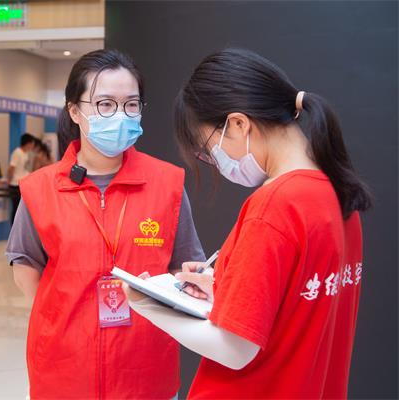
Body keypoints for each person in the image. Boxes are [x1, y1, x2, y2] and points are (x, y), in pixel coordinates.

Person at [124, 48, 372, 399]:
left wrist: (147, 304)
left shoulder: (275, 206)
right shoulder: (340, 195)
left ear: (239, 124)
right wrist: (226, 289)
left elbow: (236, 349)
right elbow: (297, 310)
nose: (214, 161)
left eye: (208, 150)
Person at [5, 49, 205, 399]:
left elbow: (184, 264)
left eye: (131, 105)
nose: (120, 115)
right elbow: (25, 268)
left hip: (145, 371)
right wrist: (67, 318)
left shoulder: (167, 183)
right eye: (105, 104)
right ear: (74, 111)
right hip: (63, 371)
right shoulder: (40, 189)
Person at [6, 133, 35, 224]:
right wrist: (8, 180)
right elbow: (12, 168)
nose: (33, 146)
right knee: (16, 208)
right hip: (15, 184)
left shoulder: (25, 154)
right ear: (28, 143)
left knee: (21, 209)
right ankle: (14, 226)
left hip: (22, 183)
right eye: (32, 143)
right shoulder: (17, 152)